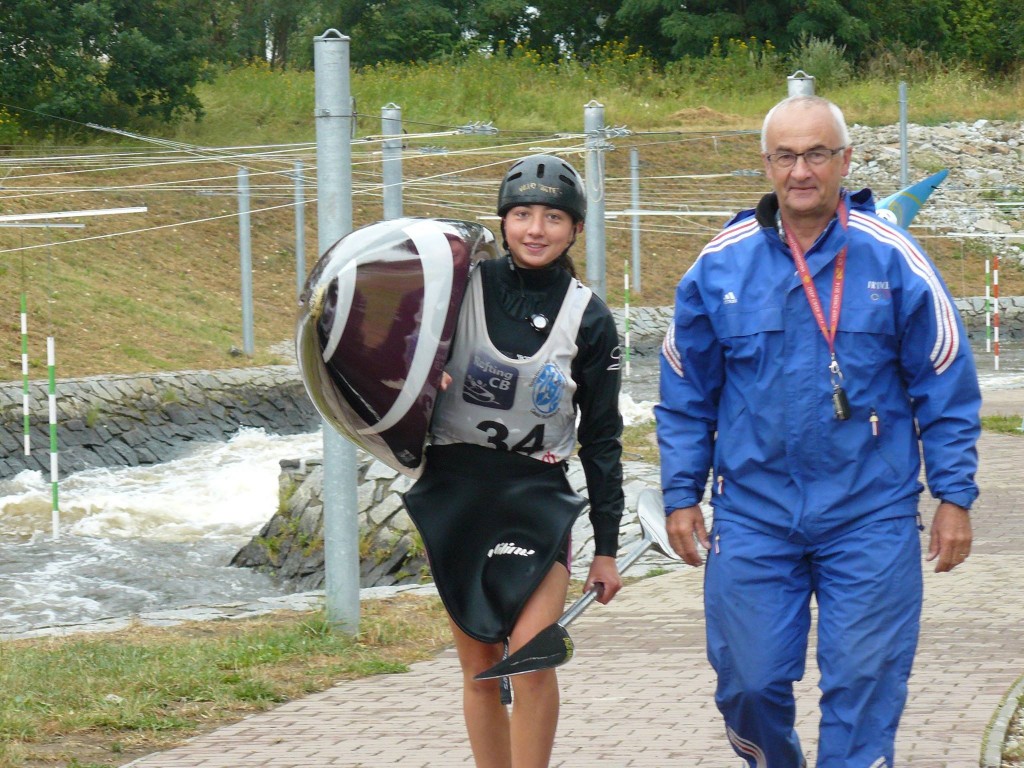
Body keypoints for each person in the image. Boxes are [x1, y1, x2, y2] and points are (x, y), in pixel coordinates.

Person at [655, 95, 981, 767]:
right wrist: (679, 493)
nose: (802, 171)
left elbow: (944, 379)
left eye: (817, 154)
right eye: (787, 155)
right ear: (767, 163)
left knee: (864, 688)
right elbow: (685, 389)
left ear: (845, 160)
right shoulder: (719, 264)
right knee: (748, 684)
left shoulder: (893, 259)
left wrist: (955, 496)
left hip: (869, 514)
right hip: (753, 515)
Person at [403, 154, 624, 768]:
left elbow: (603, 439)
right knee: (479, 666)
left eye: (553, 217)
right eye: (522, 214)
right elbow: (390, 354)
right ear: (503, 223)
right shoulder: (459, 287)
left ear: (575, 229)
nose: (535, 229)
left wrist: (605, 547)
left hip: (536, 498)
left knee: (530, 660)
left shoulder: (591, 317)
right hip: (456, 492)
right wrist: (421, 384)